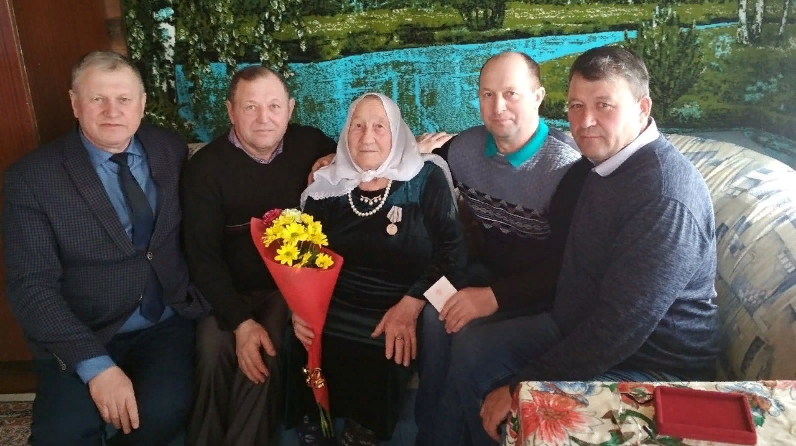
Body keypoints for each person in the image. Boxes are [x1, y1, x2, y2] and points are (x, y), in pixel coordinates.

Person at [441, 46, 720, 446]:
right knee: (471, 347)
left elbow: (618, 329)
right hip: (575, 323)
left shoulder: (663, 197)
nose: (585, 121)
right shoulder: (600, 164)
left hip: (651, 364)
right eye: (576, 106)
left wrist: (521, 385)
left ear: (642, 107)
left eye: (604, 105)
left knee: (511, 395)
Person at [3, 51, 207, 446]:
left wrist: (322, 164)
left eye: (124, 99)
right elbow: (31, 286)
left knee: (162, 414)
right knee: (61, 434)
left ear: (142, 104)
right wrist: (96, 367)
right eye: (98, 98)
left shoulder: (169, 149)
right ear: (75, 103)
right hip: (83, 328)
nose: (113, 111)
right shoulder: (32, 179)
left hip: (164, 323)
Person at [285, 92, 467, 446]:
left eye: (379, 126)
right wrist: (299, 306)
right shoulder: (328, 185)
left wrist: (412, 304)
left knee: (388, 345)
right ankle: (314, 420)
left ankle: (363, 429)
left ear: (396, 132)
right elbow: (304, 256)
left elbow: (453, 254)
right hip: (335, 301)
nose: (367, 136)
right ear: (346, 133)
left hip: (399, 301)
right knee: (299, 337)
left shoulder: (424, 177)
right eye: (358, 126)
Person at [180, 66, 337, 446]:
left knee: (262, 349)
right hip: (224, 289)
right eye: (250, 107)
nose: (264, 118)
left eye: (274, 106)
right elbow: (202, 257)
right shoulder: (205, 168)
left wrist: (334, 158)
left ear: (290, 108)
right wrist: (240, 322)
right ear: (230, 111)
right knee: (212, 351)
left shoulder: (309, 144)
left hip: (282, 290)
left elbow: (360, 158)